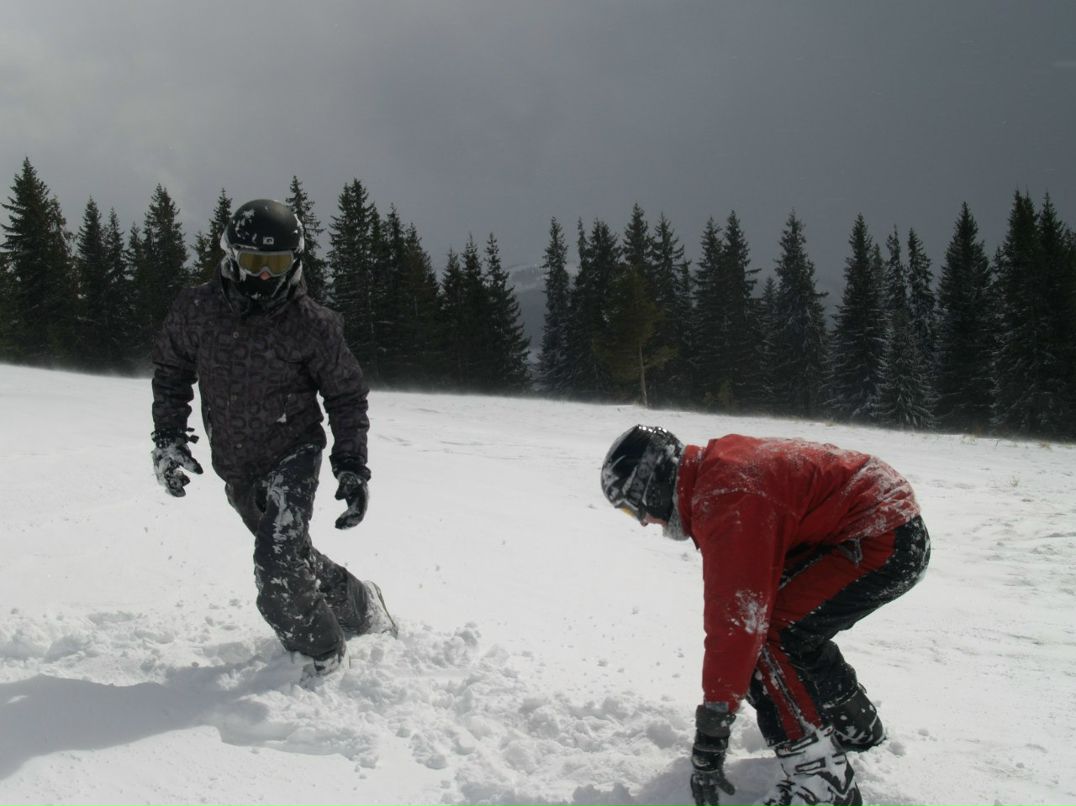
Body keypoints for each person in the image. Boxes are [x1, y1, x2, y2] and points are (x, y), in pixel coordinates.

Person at [600, 426, 931, 806]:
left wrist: (713, 729)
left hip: (880, 536)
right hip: (886, 522)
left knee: (765, 643)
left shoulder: (726, 499)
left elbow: (738, 627)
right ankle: (855, 725)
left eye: (632, 508)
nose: (643, 521)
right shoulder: (716, 473)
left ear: (652, 485)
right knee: (787, 628)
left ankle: (823, 784)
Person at [150, 198, 396, 682]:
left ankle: (322, 656)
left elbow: (346, 395)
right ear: (231, 255)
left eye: (277, 263)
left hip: (293, 453)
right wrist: (169, 435)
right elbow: (172, 370)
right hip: (236, 463)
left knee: (277, 562)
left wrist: (351, 464)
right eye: (254, 261)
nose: (264, 275)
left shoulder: (313, 324)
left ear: (295, 260)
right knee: (293, 554)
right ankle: (362, 605)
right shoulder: (197, 310)